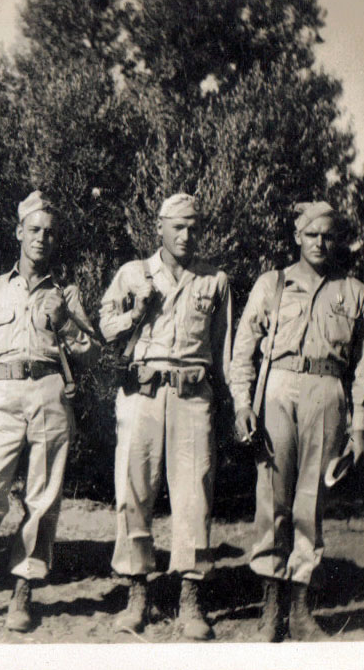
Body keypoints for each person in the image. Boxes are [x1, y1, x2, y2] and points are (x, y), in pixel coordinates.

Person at [0, 190, 101, 632]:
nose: (41, 239)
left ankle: (23, 593)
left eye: (49, 232)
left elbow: (91, 355)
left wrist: (65, 322)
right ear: (19, 233)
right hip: (3, 395)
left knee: (42, 499)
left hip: (50, 393)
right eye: (34, 230)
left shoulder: (66, 293)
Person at [230, 201, 364, 641]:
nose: (320, 243)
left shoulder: (355, 293)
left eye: (328, 235)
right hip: (278, 389)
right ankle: (270, 608)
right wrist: (242, 403)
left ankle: (300, 610)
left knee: (310, 503)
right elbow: (243, 349)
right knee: (271, 497)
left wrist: (360, 426)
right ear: (297, 237)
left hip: (328, 394)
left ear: (338, 240)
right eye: (312, 235)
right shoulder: (272, 285)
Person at [97, 192, 232, 639]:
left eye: (193, 226)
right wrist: (136, 311)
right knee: (132, 492)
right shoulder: (132, 274)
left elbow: (225, 352)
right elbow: (105, 330)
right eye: (178, 226)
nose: (186, 234)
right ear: (159, 228)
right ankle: (138, 594)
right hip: (142, 394)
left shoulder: (215, 281)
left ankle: (190, 600)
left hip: (193, 397)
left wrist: (234, 403)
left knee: (195, 497)